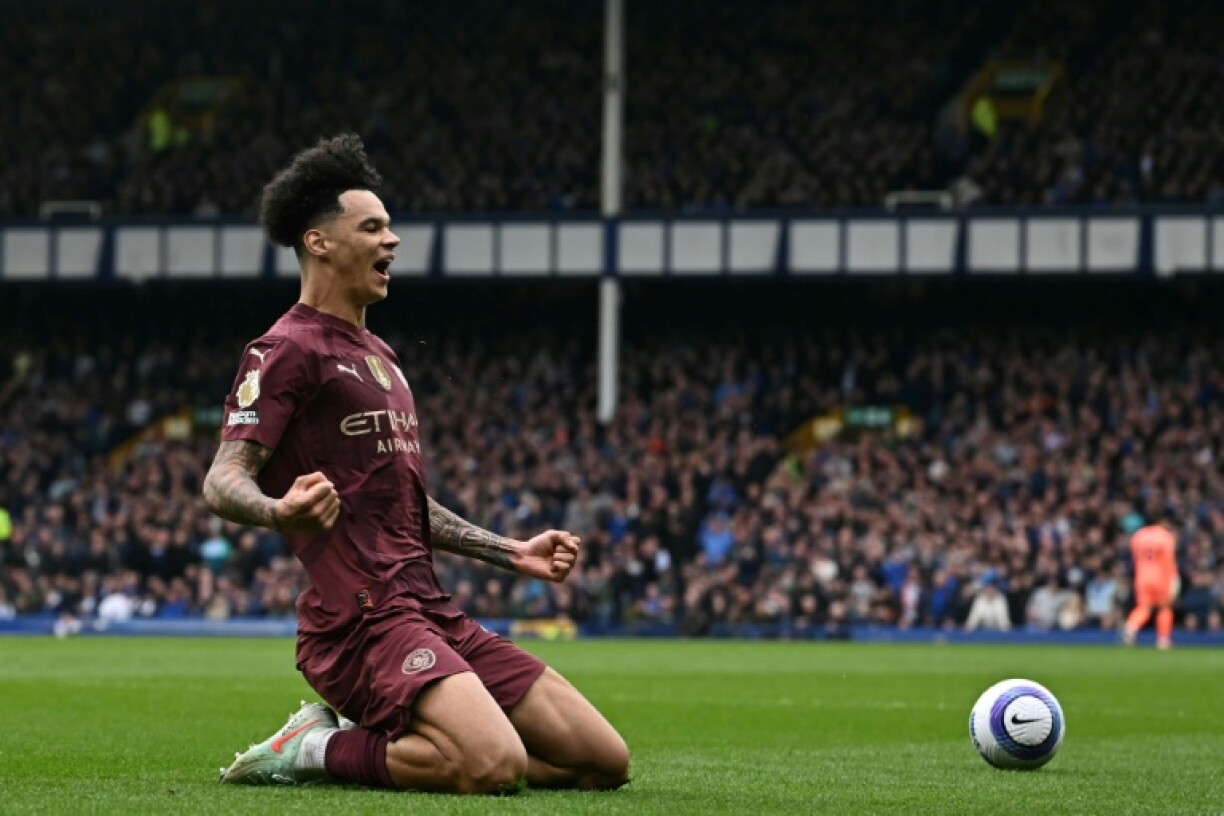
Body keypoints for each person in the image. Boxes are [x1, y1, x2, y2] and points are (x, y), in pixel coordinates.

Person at [203, 134, 630, 794]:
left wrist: (510, 551)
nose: (392, 240)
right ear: (319, 243)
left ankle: (449, 740)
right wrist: (278, 508)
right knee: (491, 766)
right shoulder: (286, 349)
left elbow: (402, 504)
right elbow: (223, 477)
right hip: (360, 619)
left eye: (390, 226)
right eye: (372, 227)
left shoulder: (382, 356)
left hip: (429, 608)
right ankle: (313, 747)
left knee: (601, 761)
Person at [1122, 514, 1180, 649]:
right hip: (1161, 576)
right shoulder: (1165, 536)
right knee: (1164, 607)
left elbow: (1134, 558)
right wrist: (1174, 579)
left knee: (1144, 608)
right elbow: (1169, 560)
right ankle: (1163, 640)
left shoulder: (1138, 536)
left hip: (1142, 577)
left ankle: (1130, 628)